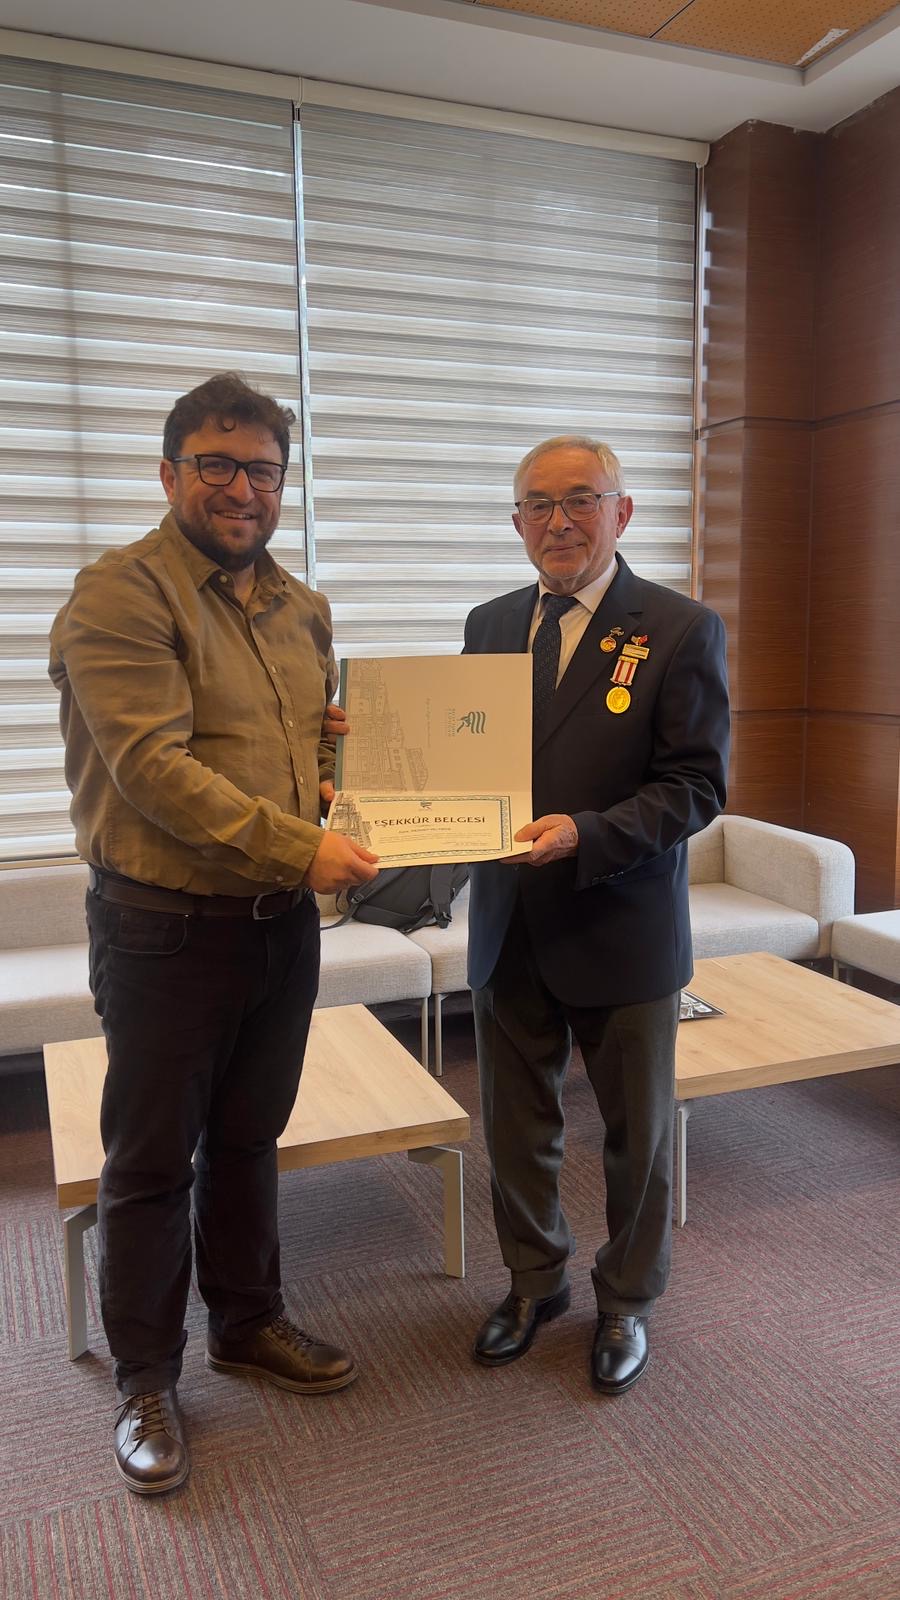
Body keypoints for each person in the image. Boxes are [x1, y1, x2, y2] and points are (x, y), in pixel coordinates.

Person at [49, 372, 379, 1495]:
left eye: (264, 471)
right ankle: (147, 1378)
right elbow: (154, 770)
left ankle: (247, 1321)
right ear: (170, 474)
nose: (244, 490)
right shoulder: (120, 595)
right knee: (150, 1160)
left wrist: (344, 762)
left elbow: (308, 757)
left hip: (280, 926)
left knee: (247, 1138)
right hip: (164, 931)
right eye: (218, 466)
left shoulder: (302, 607)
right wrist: (302, 846)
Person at [464, 435, 729, 1394]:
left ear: (622, 512)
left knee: (637, 1140)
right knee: (514, 1129)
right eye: (538, 505)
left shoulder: (680, 628)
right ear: (517, 523)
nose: (559, 522)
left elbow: (696, 787)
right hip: (509, 924)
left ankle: (627, 1300)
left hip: (621, 925)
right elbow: (468, 758)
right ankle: (535, 1283)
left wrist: (586, 834)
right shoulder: (490, 624)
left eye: (581, 499)